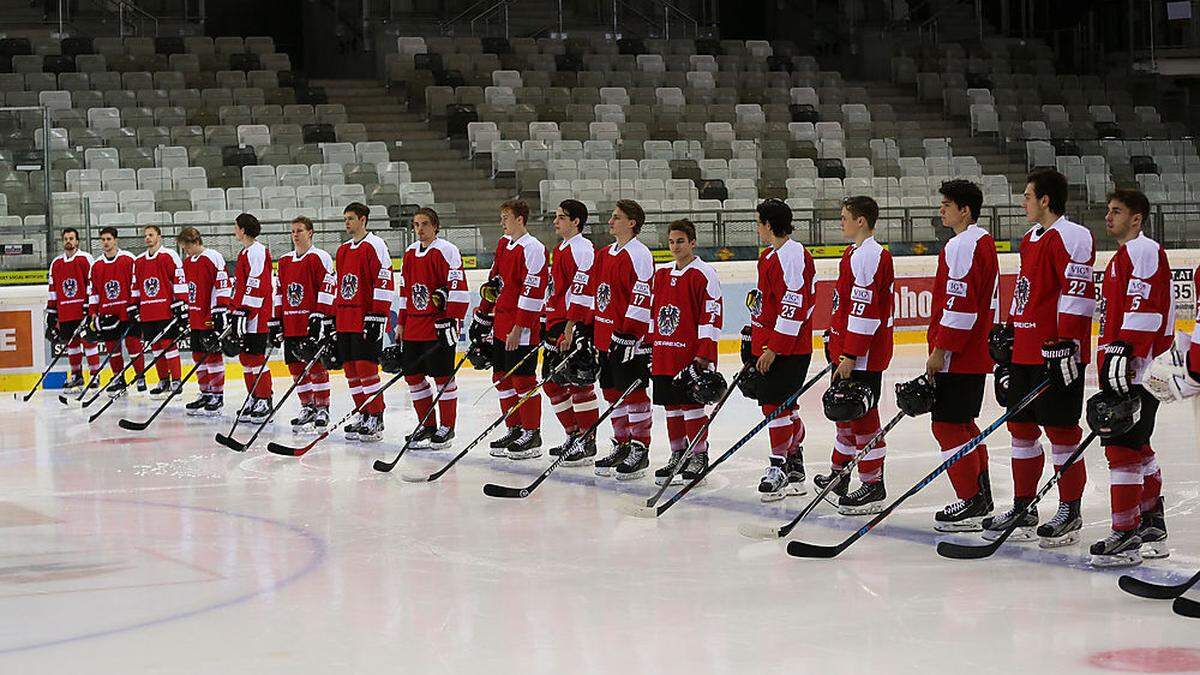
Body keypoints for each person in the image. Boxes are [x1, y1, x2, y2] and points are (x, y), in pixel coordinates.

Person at [983, 169, 1096, 547]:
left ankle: (1070, 510)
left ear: (1046, 200)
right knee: (1021, 430)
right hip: (1025, 353)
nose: (1023, 202)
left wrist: (1066, 343)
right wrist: (1010, 332)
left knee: (1062, 432)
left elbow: (1077, 293)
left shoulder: (1074, 236)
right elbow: (1026, 292)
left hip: (1056, 354)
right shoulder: (1030, 238)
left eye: (1028, 196)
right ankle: (1023, 507)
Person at [1089, 189, 1173, 566]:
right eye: (1108, 211)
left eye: (1117, 211)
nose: (1109, 217)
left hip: (1138, 370)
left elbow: (1146, 308)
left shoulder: (1143, 250)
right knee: (1137, 446)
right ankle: (1152, 523)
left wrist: (1125, 353)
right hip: (1133, 367)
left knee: (1121, 449)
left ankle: (1126, 533)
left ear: (1136, 218)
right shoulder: (1122, 257)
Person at [924, 180, 999, 531]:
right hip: (974, 352)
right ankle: (980, 498)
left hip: (959, 354)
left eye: (947, 204)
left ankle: (970, 501)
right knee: (965, 426)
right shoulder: (982, 242)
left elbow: (960, 305)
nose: (941, 209)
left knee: (948, 427)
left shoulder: (963, 244)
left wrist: (941, 350)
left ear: (964, 210)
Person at [814, 196, 895, 515]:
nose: (841, 222)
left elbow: (866, 312)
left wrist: (850, 354)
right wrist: (835, 339)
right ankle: (840, 475)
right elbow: (846, 305)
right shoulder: (855, 253)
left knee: (863, 418)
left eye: (845, 216)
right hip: (848, 349)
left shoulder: (871, 256)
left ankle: (873, 484)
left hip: (862, 355)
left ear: (861, 220)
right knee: (844, 414)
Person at [745, 199, 816, 502]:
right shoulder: (768, 257)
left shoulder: (794, 255)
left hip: (789, 348)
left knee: (774, 408)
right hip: (768, 345)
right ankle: (794, 461)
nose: (758, 228)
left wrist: (775, 347)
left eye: (760, 222)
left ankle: (779, 466)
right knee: (784, 408)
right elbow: (766, 302)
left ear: (769, 224)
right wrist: (752, 336)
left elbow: (795, 305)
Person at [649, 219, 723, 485]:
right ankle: (677, 454)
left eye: (680, 241)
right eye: (671, 241)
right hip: (664, 353)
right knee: (671, 407)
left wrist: (704, 355)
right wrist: (650, 345)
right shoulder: (661, 274)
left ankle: (698, 455)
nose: (675, 246)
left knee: (691, 406)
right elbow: (654, 314)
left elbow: (711, 316)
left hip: (690, 355)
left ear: (692, 242)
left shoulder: (704, 274)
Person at [475, 199, 548, 459]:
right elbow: (494, 282)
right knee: (502, 378)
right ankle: (514, 427)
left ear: (520, 219)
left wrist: (520, 327)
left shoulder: (534, 248)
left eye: (506, 217)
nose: (502, 222)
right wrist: (483, 313)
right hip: (501, 322)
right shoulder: (504, 244)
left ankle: (532, 432)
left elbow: (533, 291)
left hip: (521, 324)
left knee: (523, 379)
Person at [588, 199, 655, 479]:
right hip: (605, 338)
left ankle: (640, 448)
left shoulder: (639, 254)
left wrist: (629, 334)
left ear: (632, 223)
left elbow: (642, 295)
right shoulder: (605, 253)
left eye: (617, 217)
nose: (611, 221)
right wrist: (590, 330)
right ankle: (622, 443)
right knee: (612, 392)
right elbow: (598, 293)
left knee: (633, 393)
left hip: (629, 341)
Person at [394, 207, 469, 449]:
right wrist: (401, 323)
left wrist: (452, 319)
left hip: (437, 325)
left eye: (425, 224)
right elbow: (405, 292)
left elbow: (458, 288)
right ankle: (426, 425)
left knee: (442, 377)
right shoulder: (409, 253)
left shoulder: (446, 250)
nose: (420, 229)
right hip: (414, 325)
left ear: (435, 226)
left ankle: (447, 426)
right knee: (413, 377)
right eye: (416, 224)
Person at [543, 199, 600, 464]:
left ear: (576, 221)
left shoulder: (583, 248)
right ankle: (573, 434)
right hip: (557, 322)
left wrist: (572, 327)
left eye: (561, 217)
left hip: (574, 323)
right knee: (553, 382)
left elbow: (584, 291)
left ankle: (587, 440)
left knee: (579, 381)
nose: (556, 222)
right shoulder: (562, 248)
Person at [333, 202, 394, 442]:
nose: (347, 222)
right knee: (350, 370)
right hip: (345, 319)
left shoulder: (375, 245)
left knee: (367, 370)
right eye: (345, 218)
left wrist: (378, 315)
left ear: (363, 219)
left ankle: (376, 416)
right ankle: (362, 413)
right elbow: (341, 286)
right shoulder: (343, 250)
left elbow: (383, 278)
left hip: (365, 318)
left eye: (351, 218)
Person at [274, 216, 336, 432]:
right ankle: (307, 406)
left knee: (316, 367)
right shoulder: (283, 261)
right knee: (296, 368)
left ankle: (322, 408)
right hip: (291, 323)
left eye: (299, 230)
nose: (295, 234)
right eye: (293, 231)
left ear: (310, 232)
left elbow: (327, 287)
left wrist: (322, 317)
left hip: (311, 324)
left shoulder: (320, 257)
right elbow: (280, 292)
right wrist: (276, 320)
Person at [226, 213, 275, 424]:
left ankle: (265, 398)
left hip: (256, 315)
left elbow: (259, 283)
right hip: (245, 314)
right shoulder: (244, 252)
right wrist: (234, 310)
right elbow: (240, 286)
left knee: (255, 357)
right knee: (245, 359)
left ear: (243, 229)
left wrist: (246, 310)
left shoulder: (258, 251)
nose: (234, 231)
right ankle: (254, 396)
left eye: (236, 227)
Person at [178, 226, 230, 416]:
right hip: (195, 316)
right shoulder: (188, 262)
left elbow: (223, 284)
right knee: (198, 355)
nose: (186, 251)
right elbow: (187, 289)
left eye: (187, 247)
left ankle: (217, 394)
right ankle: (205, 392)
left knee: (212, 355)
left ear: (196, 242)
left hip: (209, 316)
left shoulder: (212, 257)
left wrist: (220, 311)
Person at [88, 226, 146, 396]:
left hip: (127, 312)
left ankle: (140, 376)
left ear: (115, 240)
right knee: (113, 349)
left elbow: (137, 283)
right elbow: (94, 291)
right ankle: (118, 379)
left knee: (133, 345)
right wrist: (93, 313)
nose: (106, 243)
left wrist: (137, 305)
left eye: (109, 239)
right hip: (107, 313)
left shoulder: (128, 259)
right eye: (103, 240)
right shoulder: (97, 265)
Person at [131, 224, 187, 399]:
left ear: (159, 237)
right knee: (155, 348)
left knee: (169, 346)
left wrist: (181, 303)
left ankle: (176, 381)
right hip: (148, 312)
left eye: (151, 235)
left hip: (166, 311)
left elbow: (179, 280)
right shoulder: (139, 261)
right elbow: (136, 286)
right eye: (146, 235)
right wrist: (135, 306)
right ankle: (164, 380)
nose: (148, 238)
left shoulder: (169, 255)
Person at [46, 227, 96, 393]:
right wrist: (52, 313)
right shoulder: (56, 263)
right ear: (63, 241)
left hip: (82, 312)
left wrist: (90, 306)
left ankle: (94, 376)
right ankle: (76, 376)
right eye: (66, 238)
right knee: (72, 346)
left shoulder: (85, 259)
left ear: (77, 241)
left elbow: (92, 284)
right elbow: (53, 289)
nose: (69, 241)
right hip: (65, 312)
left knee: (89, 343)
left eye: (71, 238)